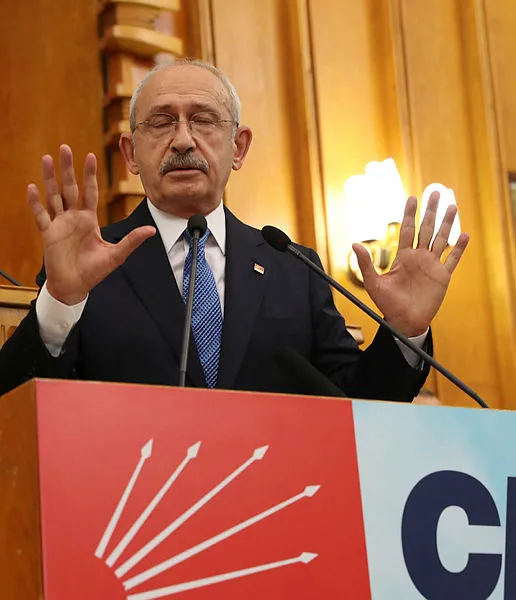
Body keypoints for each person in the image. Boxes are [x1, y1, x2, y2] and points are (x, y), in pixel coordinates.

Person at [0, 59, 469, 400]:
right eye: (161, 123)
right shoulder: (90, 265)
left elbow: (358, 406)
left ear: (238, 147)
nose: (183, 140)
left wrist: (405, 330)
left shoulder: (293, 268)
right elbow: (18, 404)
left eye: (203, 120)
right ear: (130, 154)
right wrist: (60, 303)